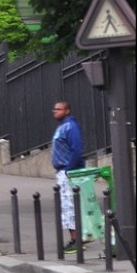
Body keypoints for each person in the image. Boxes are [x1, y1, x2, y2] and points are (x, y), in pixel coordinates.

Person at [51, 100, 86, 254]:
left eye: (59, 109)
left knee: (69, 207)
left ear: (67, 111)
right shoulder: (62, 127)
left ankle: (77, 240)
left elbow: (77, 149)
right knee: (67, 207)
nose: (55, 111)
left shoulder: (70, 127)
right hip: (63, 171)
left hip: (68, 172)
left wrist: (69, 170)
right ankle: (77, 238)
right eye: (55, 109)